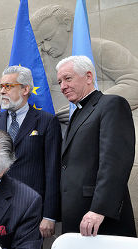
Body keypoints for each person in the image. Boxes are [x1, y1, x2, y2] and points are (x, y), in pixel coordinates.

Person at [57, 55, 136, 237]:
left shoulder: (112, 104)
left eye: (68, 79)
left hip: (100, 218)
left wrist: (100, 209)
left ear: (89, 77)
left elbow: (115, 162)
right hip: (77, 218)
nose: (62, 86)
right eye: (60, 81)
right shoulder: (76, 114)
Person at [0, 66, 62, 238]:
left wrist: (49, 215)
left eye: (8, 86)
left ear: (26, 89)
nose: (2, 92)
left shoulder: (46, 122)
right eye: (1, 87)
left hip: (31, 208)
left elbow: (52, 170)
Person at [31, 5, 138, 122]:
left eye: (49, 38)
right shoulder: (44, 62)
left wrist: (88, 107)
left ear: (67, 24)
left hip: (106, 123)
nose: (46, 47)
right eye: (41, 43)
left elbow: (134, 83)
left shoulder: (102, 49)